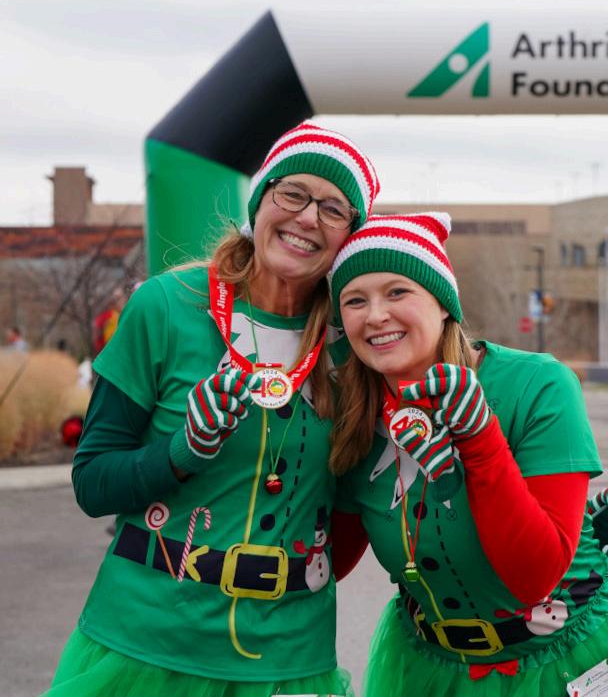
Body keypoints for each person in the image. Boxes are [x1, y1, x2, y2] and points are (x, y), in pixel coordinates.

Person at [46, 121, 380, 696]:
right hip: (145, 643)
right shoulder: (165, 305)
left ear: (350, 234)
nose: (308, 218)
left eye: (334, 209)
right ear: (260, 202)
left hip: (287, 657)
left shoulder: (354, 342)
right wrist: (182, 451)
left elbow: (351, 515)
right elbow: (93, 484)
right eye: (292, 194)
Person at [328, 212, 608, 696]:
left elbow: (533, 578)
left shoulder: (539, 383)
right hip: (434, 666)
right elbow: (329, 561)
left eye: (397, 292)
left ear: (443, 304)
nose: (375, 315)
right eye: (355, 300)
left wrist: (479, 436)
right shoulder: (354, 413)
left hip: (568, 662)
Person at [92, 287, 126, 355]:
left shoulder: (100, 317)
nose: (123, 301)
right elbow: (112, 339)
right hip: (111, 352)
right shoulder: (112, 316)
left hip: (102, 352)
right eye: (119, 299)